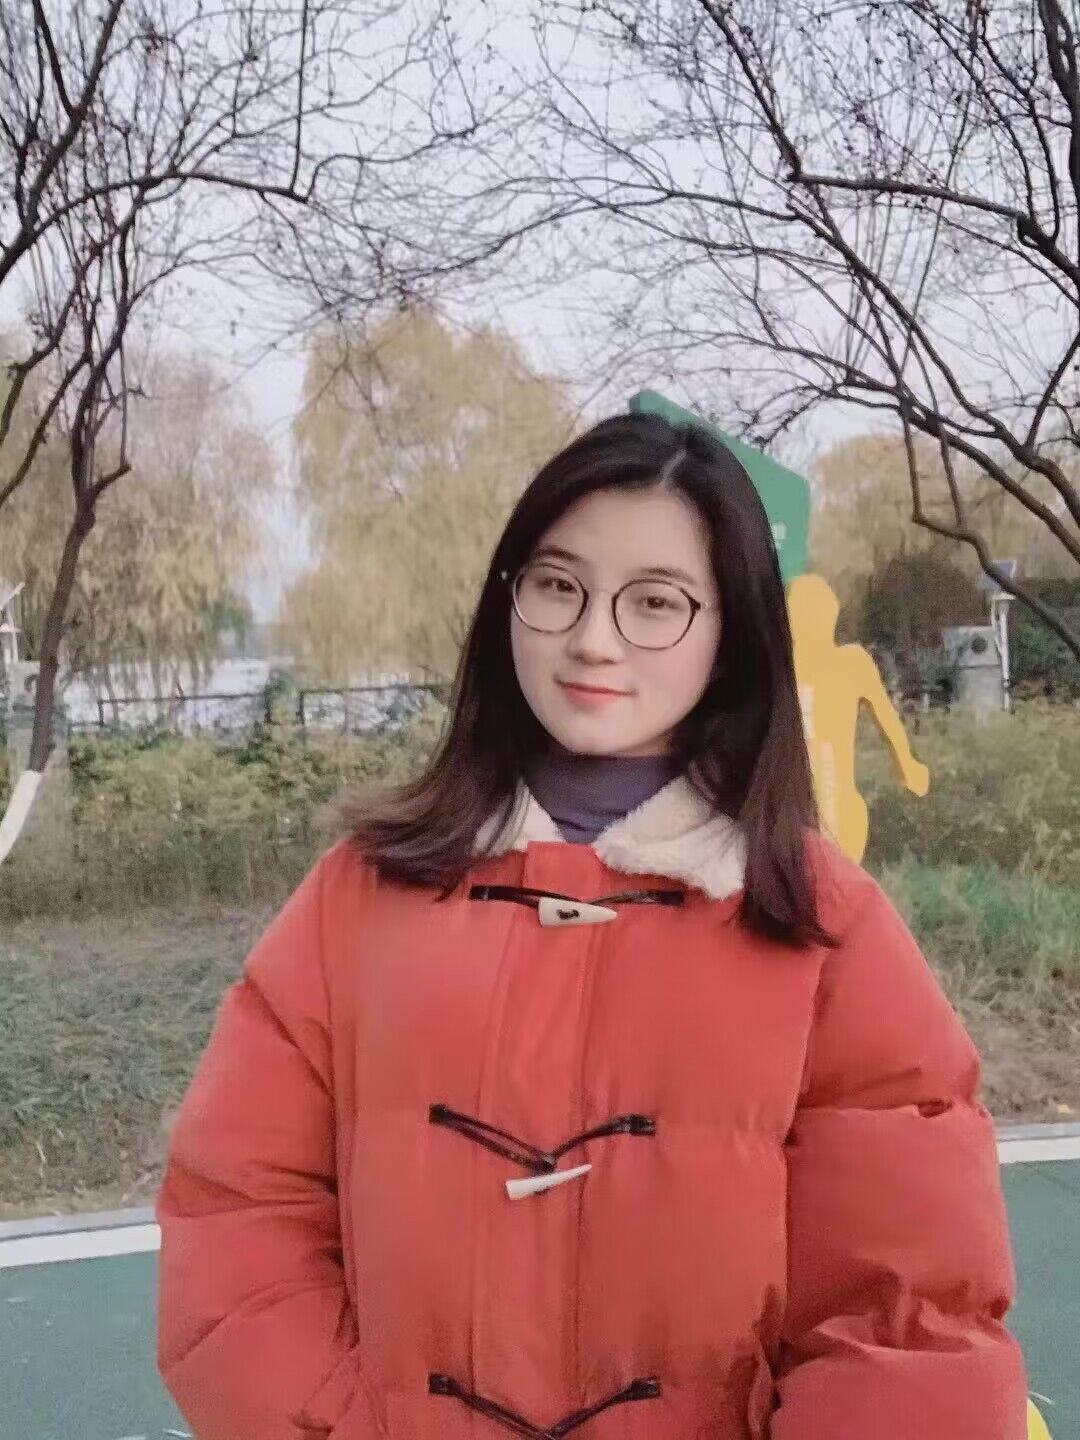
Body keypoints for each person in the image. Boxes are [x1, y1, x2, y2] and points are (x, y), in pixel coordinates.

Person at [156, 413, 1027, 1440]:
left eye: (656, 601)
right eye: (558, 585)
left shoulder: (826, 928)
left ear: (734, 632)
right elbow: (241, 1220)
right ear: (508, 600)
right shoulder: (357, 898)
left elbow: (906, 1311)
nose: (593, 638)